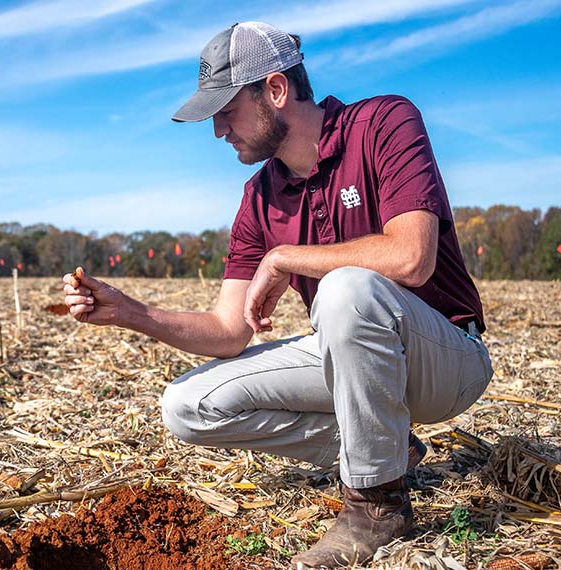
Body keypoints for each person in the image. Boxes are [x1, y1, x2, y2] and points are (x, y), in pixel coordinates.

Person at [63, 21, 493, 569]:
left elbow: (412, 257)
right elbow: (228, 330)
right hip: (352, 352)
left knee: (346, 290)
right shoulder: (259, 196)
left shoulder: (384, 121)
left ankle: (376, 508)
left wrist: (286, 257)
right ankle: (389, 450)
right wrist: (130, 312)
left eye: (226, 109)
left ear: (275, 89)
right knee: (188, 406)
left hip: (445, 356)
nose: (219, 130)